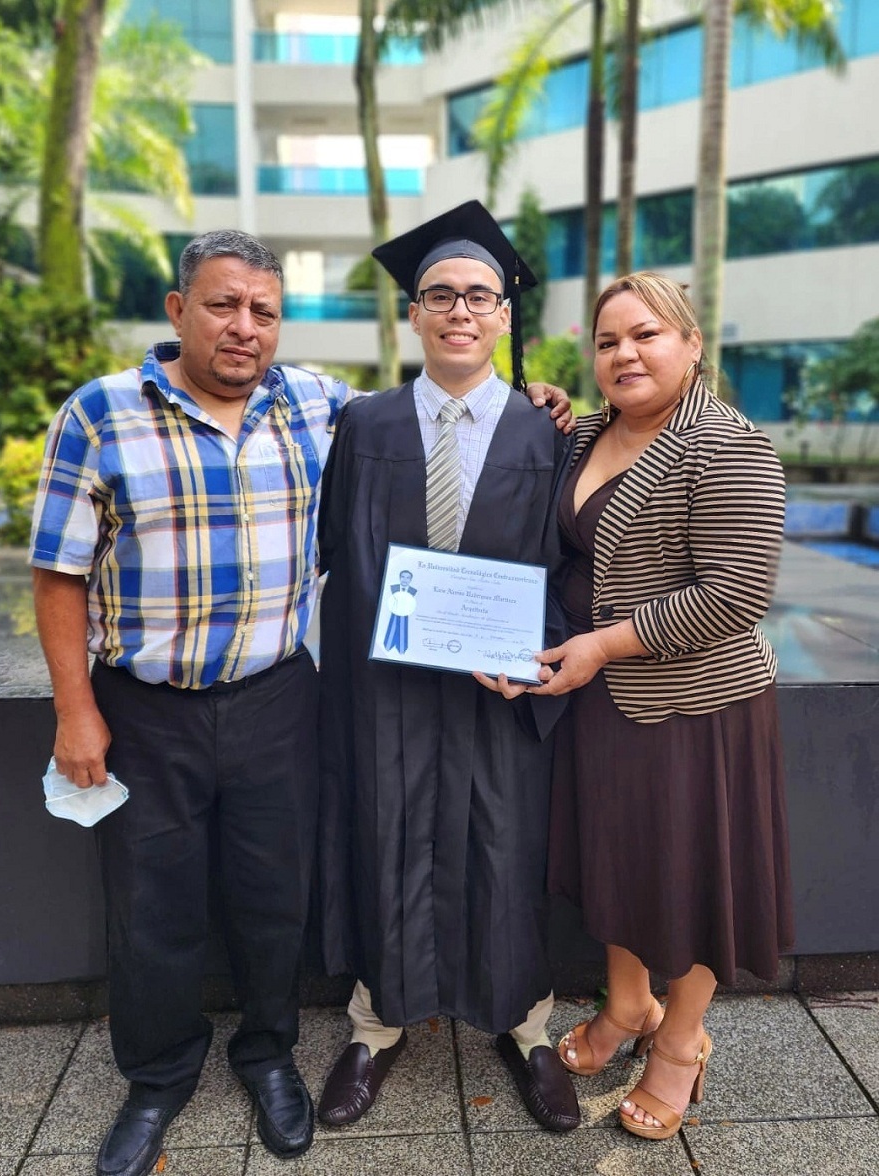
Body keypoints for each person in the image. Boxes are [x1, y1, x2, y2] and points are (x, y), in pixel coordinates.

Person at [28, 228, 571, 1176]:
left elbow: (559, 541)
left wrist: (542, 401)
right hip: (169, 704)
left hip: (314, 696)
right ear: (180, 310)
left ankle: (301, 1052)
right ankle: (169, 1077)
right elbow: (59, 569)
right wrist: (75, 711)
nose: (244, 327)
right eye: (223, 305)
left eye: (263, 312)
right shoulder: (116, 413)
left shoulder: (336, 407)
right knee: (154, 903)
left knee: (279, 896)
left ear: (503, 314)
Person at [481, 271, 794, 1141]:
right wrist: (536, 401)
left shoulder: (727, 446)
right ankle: (628, 1004)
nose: (624, 353)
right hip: (599, 704)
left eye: (646, 334)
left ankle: (682, 1041)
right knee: (619, 864)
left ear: (692, 344)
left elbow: (735, 594)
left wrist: (604, 646)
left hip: (695, 708)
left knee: (689, 880)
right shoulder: (588, 435)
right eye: (607, 340)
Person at [316, 201, 580, 1134]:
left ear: (505, 313)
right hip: (386, 694)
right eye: (440, 295)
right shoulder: (365, 423)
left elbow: (569, 565)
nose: (460, 310)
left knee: (506, 850)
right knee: (384, 836)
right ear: (417, 314)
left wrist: (534, 660)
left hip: (499, 697)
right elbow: (335, 564)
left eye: (479, 295)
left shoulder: (548, 431)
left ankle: (528, 1027)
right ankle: (375, 1027)